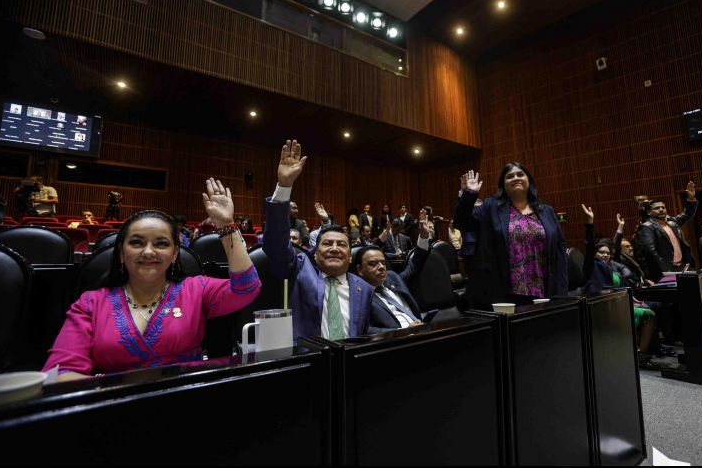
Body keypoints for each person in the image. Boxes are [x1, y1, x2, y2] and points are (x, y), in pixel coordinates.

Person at [43, 178, 261, 381]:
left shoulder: (195, 289)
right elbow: (62, 372)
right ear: (121, 252)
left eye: (161, 244)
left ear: (175, 253)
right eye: (137, 243)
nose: (148, 252)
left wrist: (225, 225)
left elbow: (247, 287)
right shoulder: (90, 303)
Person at [264, 140, 372, 341]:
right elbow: (276, 244)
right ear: (314, 251)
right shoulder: (300, 269)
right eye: (327, 243)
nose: (334, 248)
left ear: (350, 257)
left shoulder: (364, 288)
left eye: (341, 244)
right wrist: (284, 186)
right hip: (307, 362)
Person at [455, 166, 568, 309]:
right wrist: (469, 195)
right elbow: (462, 223)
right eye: (510, 176)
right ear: (503, 184)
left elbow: (559, 249)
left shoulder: (546, 211)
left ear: (529, 180)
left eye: (520, 174)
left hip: (543, 288)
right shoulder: (491, 206)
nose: (515, 178)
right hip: (503, 291)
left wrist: (562, 291)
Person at [581, 204, 659, 370]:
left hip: (616, 302)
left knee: (649, 313)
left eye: (607, 253)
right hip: (601, 305)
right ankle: (638, 354)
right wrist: (590, 222)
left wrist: (620, 228)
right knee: (648, 313)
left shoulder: (610, 266)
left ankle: (640, 352)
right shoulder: (591, 265)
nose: (605, 255)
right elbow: (588, 245)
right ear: (595, 253)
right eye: (601, 252)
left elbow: (615, 248)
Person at [357, 209, 433, 333]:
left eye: (383, 262)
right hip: (395, 344)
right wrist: (401, 332)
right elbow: (364, 330)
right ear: (360, 270)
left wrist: (424, 236)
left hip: (422, 332)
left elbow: (415, 264)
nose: (381, 267)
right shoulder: (359, 295)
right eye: (373, 264)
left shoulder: (392, 278)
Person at [635, 181, 697, 282]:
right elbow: (651, 251)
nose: (661, 210)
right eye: (656, 208)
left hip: (681, 267)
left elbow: (687, 215)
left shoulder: (672, 221)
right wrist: (665, 270)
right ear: (649, 212)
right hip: (664, 270)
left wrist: (691, 199)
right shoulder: (647, 227)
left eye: (663, 207)